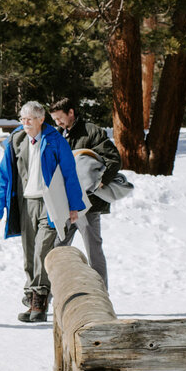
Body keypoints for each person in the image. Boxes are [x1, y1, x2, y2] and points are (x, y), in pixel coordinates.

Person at [0, 101, 85, 323]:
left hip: (49, 203)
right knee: (29, 252)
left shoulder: (54, 140)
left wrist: (74, 206)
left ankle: (39, 299)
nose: (25, 123)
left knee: (42, 250)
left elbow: (70, 173)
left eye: (30, 119)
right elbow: (4, 175)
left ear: (41, 119)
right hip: (25, 203)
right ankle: (31, 295)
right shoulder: (16, 140)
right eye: (22, 119)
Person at [48, 98, 122, 288]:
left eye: (60, 118)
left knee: (93, 250)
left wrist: (99, 182)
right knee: (58, 248)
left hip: (88, 204)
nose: (58, 123)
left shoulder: (91, 131)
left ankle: (101, 293)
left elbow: (113, 159)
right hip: (66, 203)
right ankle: (53, 295)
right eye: (54, 120)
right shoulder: (58, 135)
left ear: (71, 113)